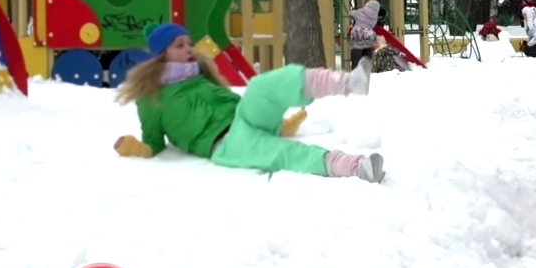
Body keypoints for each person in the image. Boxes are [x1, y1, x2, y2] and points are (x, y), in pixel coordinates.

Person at [112, 22, 385, 183]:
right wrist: (137, 148)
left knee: (261, 86)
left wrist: (280, 125)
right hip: (224, 143)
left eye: (188, 42)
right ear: (162, 53)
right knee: (282, 153)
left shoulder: (199, 75)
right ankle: (354, 166)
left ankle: (351, 82)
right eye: (180, 45)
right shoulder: (151, 96)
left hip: (243, 118)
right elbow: (154, 142)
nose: (189, 49)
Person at [348, 0, 380, 70]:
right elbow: (372, 25)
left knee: (356, 55)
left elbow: (351, 13)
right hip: (368, 36)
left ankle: (355, 69)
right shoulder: (375, 17)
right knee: (367, 54)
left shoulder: (360, 12)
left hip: (358, 35)